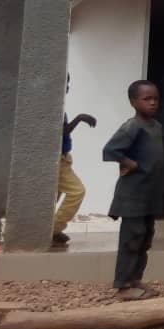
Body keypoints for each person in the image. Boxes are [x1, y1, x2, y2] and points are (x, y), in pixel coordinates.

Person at [102, 80, 164, 300]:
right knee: (132, 238)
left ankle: (135, 278)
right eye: (147, 99)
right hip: (133, 195)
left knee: (145, 238)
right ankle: (123, 285)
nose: (153, 103)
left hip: (149, 194)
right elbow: (110, 150)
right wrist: (130, 163)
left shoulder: (156, 126)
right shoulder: (132, 126)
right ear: (133, 102)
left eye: (155, 98)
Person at [53, 74, 96, 248]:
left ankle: (51, 229)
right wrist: (80, 118)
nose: (67, 87)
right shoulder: (53, 105)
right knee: (77, 191)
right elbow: (61, 131)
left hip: (63, 158)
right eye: (64, 83)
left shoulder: (58, 105)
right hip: (58, 160)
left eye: (68, 83)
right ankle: (53, 229)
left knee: (53, 197)